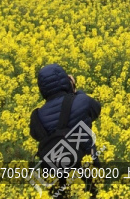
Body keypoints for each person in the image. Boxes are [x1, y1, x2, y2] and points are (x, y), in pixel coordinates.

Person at [30, 64, 102, 198]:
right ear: (66, 81)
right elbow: (96, 109)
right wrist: (74, 90)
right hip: (87, 171)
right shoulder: (82, 101)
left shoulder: (37, 117)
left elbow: (35, 134)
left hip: (56, 179)